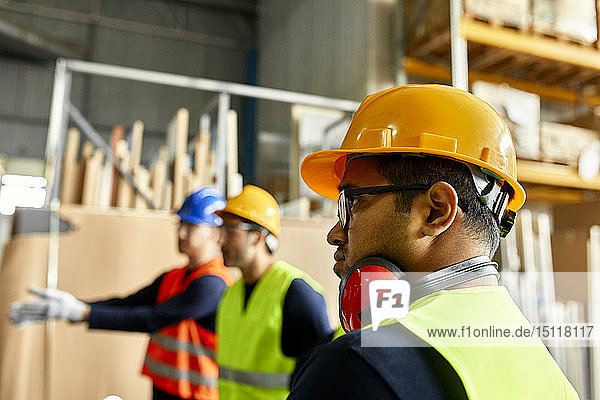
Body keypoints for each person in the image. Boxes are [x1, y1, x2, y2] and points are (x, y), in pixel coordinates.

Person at [290, 84, 580, 399]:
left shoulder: (357, 368)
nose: (335, 233)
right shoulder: (554, 381)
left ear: (436, 211)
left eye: (352, 202)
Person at [9, 187, 234, 400]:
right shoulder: (174, 277)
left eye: (192, 226)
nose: (182, 233)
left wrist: (82, 313)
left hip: (196, 394)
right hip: (164, 387)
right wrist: (74, 306)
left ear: (214, 233)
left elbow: (152, 318)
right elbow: (129, 303)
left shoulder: (213, 285)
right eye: (180, 224)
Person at [215, 184, 333, 400]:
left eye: (230, 230)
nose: (220, 240)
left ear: (257, 237)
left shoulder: (296, 292)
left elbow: (323, 376)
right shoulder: (230, 294)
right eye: (221, 229)